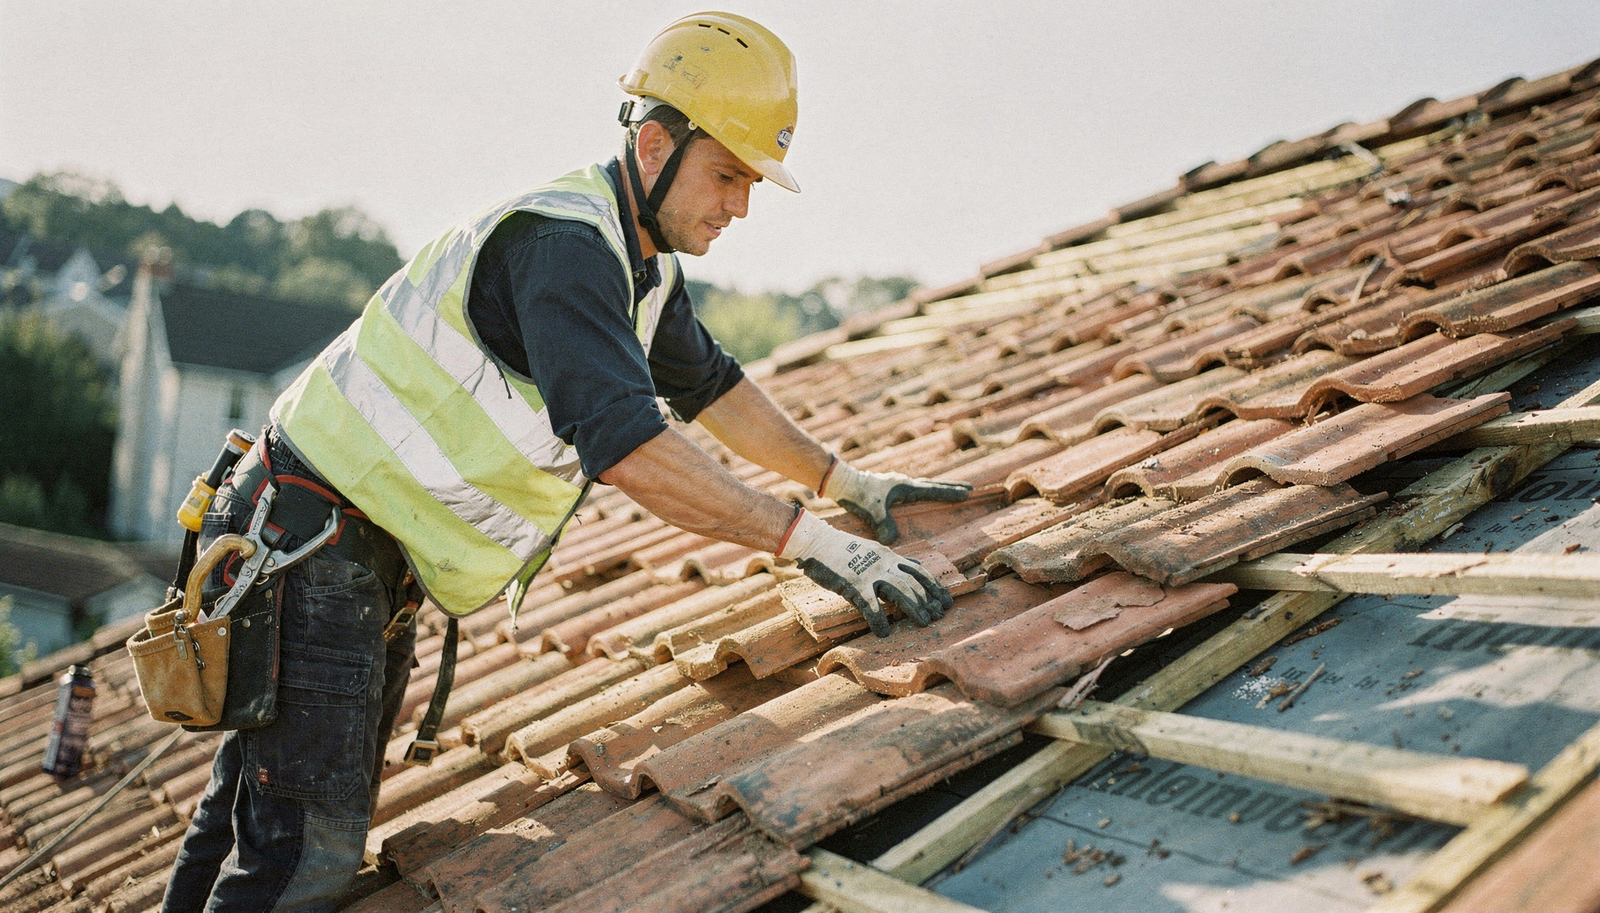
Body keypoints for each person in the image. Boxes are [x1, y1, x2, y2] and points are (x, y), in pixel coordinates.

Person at [160, 11, 970, 912]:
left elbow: (715, 389)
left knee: (248, 828)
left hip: (315, 540)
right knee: (301, 856)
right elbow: (630, 449)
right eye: (727, 174)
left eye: (752, 183)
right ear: (656, 144)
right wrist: (813, 542)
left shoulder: (641, 269)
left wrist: (845, 484)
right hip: (309, 545)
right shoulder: (567, 249)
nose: (739, 206)